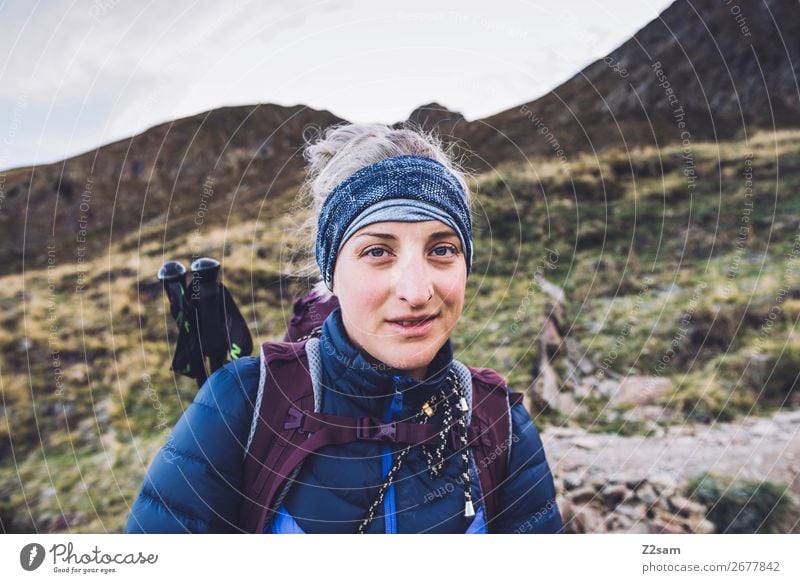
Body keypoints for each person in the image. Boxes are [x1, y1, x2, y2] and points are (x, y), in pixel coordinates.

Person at [125, 122, 563, 534]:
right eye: (377, 251)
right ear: (331, 271)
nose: (416, 291)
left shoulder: (499, 422)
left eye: (443, 248)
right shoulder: (241, 405)